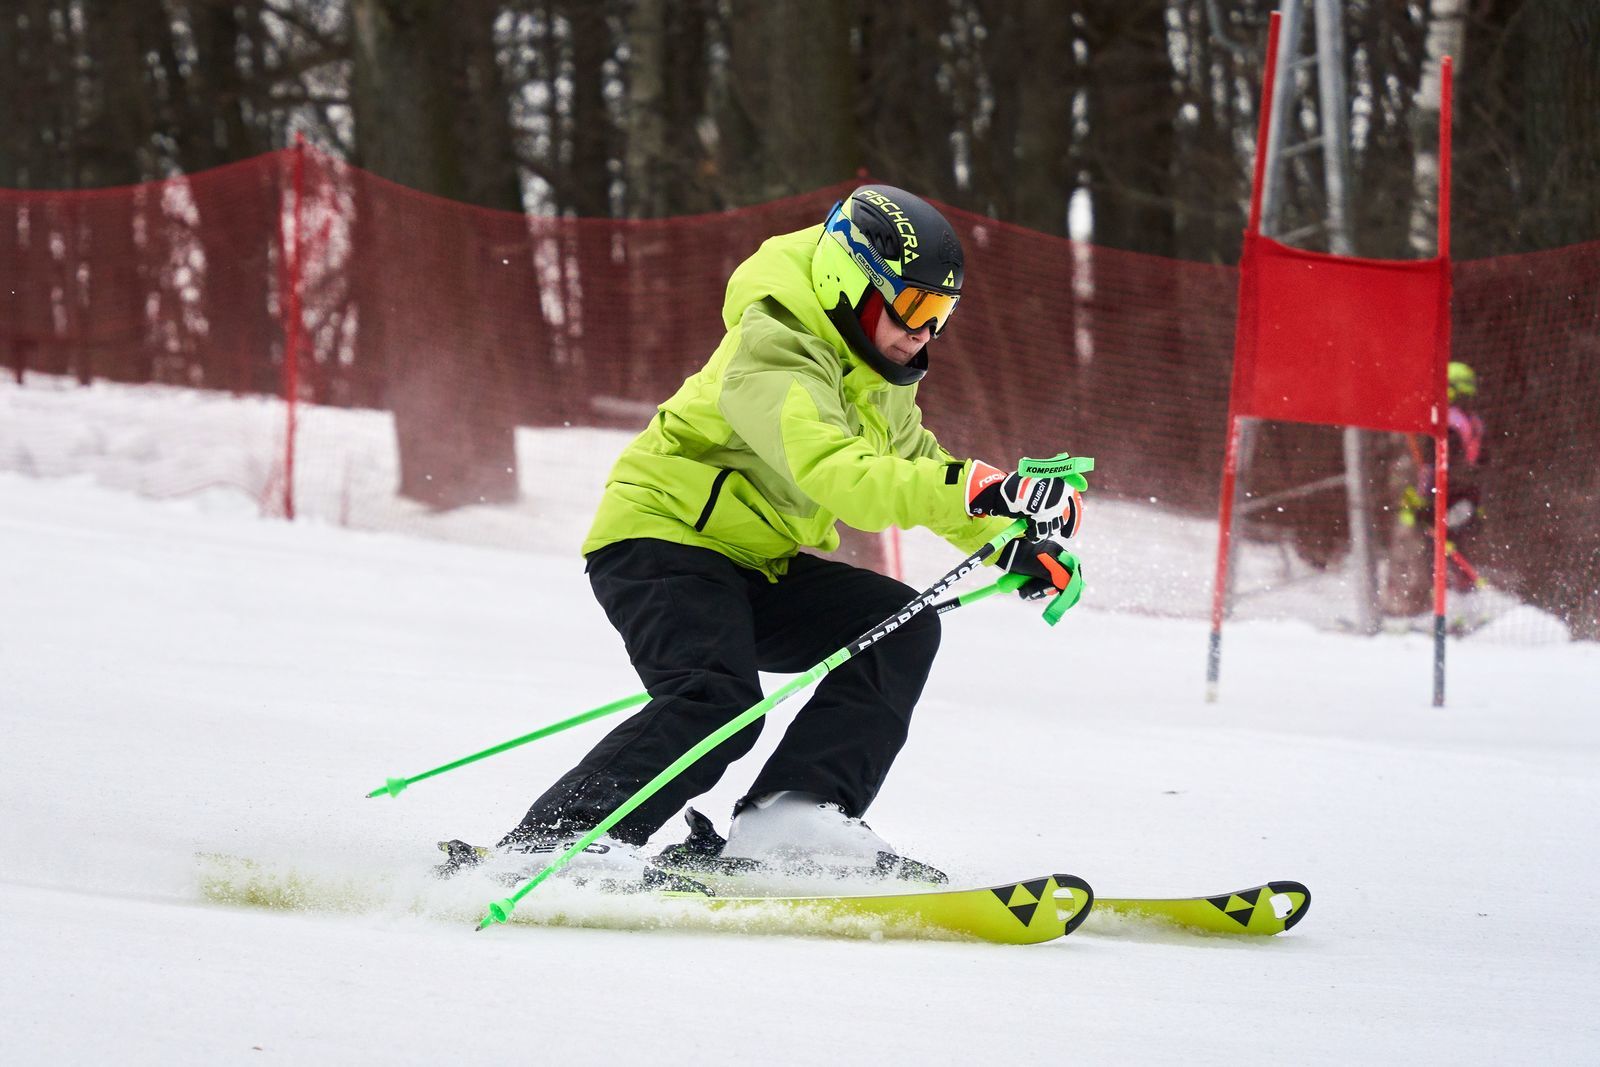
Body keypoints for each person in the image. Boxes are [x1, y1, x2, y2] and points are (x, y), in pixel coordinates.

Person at [475, 186, 1082, 888]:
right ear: (850, 283)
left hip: (754, 560)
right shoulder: (772, 349)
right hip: (662, 539)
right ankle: (561, 839)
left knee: (899, 625)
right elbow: (836, 472)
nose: (924, 333)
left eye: (941, 314)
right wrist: (975, 485)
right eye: (914, 307)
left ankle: (793, 815)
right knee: (716, 698)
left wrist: (1007, 536)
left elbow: (914, 458)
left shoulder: (875, 368)